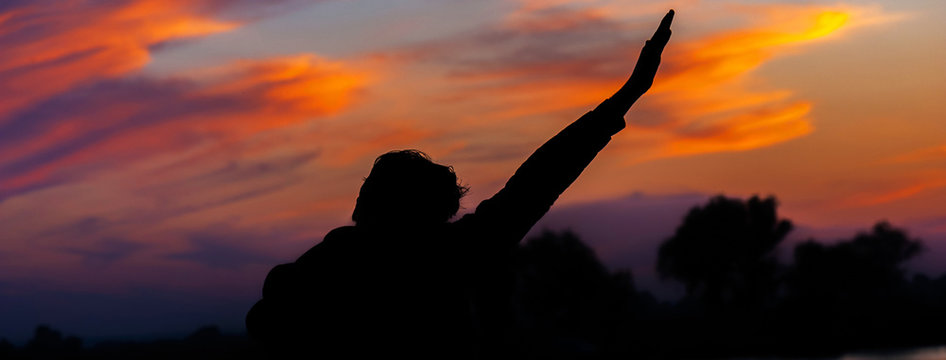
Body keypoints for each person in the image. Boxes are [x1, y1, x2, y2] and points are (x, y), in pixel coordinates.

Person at [246, 10, 674, 359]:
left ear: (367, 205)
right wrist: (627, 96)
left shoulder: (313, 276)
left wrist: (625, 97)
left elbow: (536, 182)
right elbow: (536, 184)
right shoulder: (446, 255)